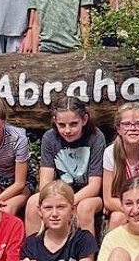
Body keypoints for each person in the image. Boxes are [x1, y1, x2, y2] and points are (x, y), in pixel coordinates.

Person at [25, 97, 105, 234]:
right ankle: (33, 251)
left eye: (73, 124)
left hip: (89, 195)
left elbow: (94, 186)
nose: (67, 130)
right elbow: (45, 181)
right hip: (61, 193)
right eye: (62, 125)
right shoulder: (49, 138)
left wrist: (69, 202)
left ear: (84, 120)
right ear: (55, 122)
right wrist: (56, 201)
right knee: (33, 202)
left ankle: (86, 254)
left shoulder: (96, 137)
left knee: (84, 208)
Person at [19, 181, 98, 261]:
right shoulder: (31, 244)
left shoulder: (84, 240)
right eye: (48, 208)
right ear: (39, 211)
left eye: (61, 207)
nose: (54, 214)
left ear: (72, 209)